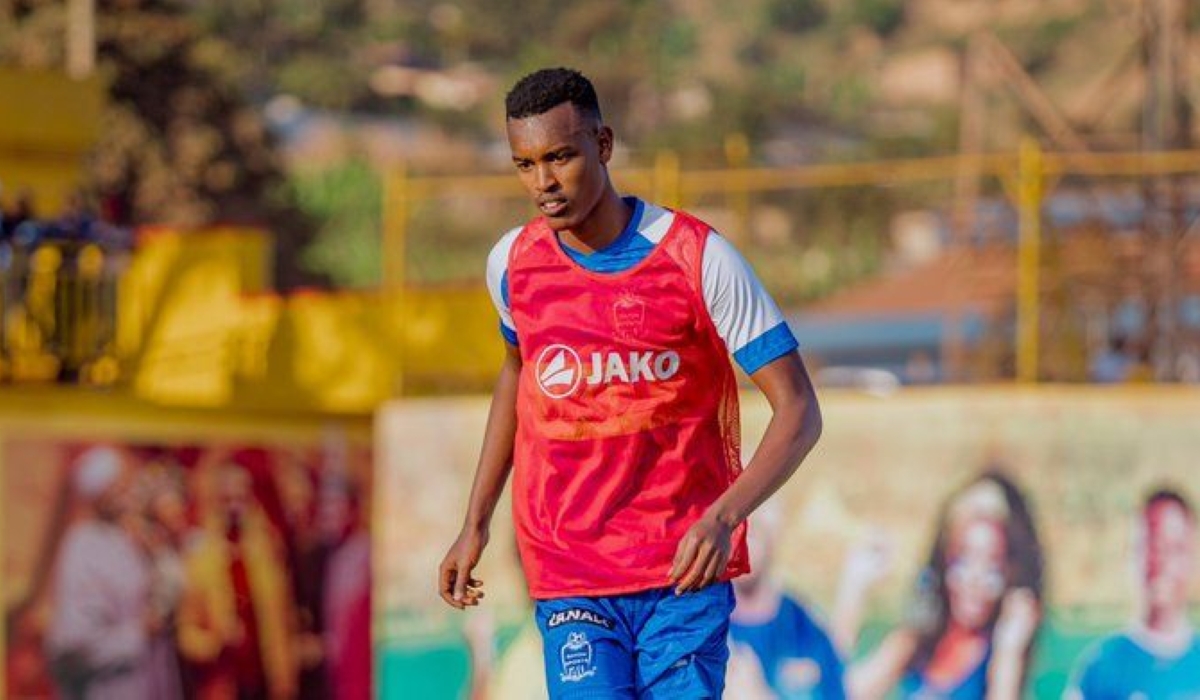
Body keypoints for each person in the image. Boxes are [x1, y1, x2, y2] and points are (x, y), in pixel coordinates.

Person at [438, 67, 823, 699]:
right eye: (525, 164)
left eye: (560, 157)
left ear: (604, 144)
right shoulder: (512, 264)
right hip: (571, 572)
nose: (544, 183)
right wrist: (475, 521)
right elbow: (518, 372)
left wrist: (724, 518)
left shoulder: (698, 258)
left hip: (682, 573)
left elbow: (799, 410)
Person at [836, 471, 1044, 700]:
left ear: (1010, 574)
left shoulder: (996, 657)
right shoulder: (914, 642)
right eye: (963, 560)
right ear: (945, 564)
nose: (974, 579)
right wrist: (853, 590)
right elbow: (834, 692)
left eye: (991, 567)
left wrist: (1009, 655)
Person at [177, 457, 297, 700]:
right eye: (226, 499)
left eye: (240, 498)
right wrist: (216, 642)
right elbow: (186, 633)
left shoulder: (268, 551)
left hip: (268, 681)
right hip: (224, 682)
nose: (233, 507)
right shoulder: (200, 556)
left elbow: (286, 619)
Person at [1065, 487, 1200, 699]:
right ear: (1132, 554)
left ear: (1191, 559)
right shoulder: (1099, 667)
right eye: (1151, 545)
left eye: (1174, 548)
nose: (1161, 561)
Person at [45, 446, 157, 699]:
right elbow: (74, 647)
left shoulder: (121, 539)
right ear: (98, 494)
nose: (128, 495)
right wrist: (138, 634)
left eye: (127, 486)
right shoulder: (81, 547)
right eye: (118, 487)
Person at [727, 501, 846, 699]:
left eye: (753, 531)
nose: (742, 541)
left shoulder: (805, 629)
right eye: (734, 528)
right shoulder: (697, 627)